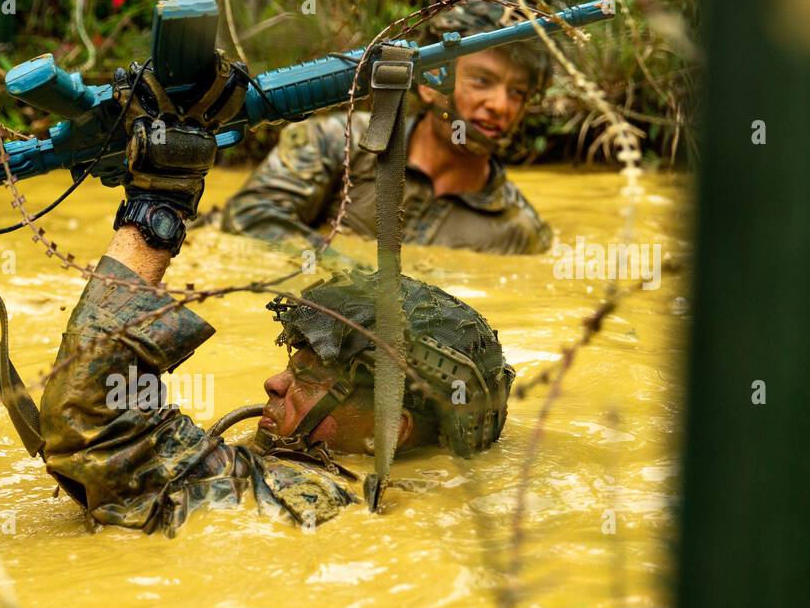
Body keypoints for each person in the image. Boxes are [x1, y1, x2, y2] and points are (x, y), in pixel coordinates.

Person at [39, 53, 515, 536]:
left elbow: (90, 424)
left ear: (390, 432)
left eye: (306, 380)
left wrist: (158, 204)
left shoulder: (314, 498)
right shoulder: (349, 493)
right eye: (293, 369)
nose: (273, 383)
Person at [218, 0, 553, 256]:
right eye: (482, 81)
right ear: (428, 83)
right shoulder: (340, 141)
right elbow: (248, 219)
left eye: (518, 92)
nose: (501, 105)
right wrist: (355, 283)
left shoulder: (519, 230)